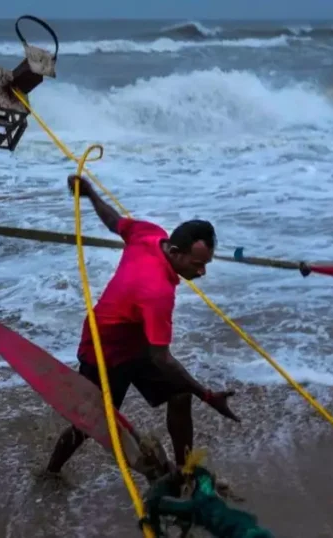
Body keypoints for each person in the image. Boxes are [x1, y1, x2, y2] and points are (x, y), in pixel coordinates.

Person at [45, 174, 239, 474]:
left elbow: (115, 222)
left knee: (179, 395)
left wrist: (91, 194)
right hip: (104, 352)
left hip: (138, 341)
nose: (201, 273)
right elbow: (162, 358)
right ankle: (51, 471)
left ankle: (185, 471)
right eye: (196, 264)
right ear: (174, 253)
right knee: (92, 423)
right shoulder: (157, 293)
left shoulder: (150, 234)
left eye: (206, 264)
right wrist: (209, 396)